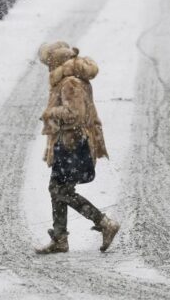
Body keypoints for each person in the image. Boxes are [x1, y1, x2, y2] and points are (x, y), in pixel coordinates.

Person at [35, 42, 119, 254]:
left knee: (60, 189)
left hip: (74, 144)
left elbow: (75, 114)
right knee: (57, 188)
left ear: (56, 62)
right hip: (70, 143)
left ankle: (104, 222)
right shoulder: (71, 79)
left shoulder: (70, 82)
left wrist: (51, 113)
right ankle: (60, 238)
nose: (48, 68)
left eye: (48, 63)